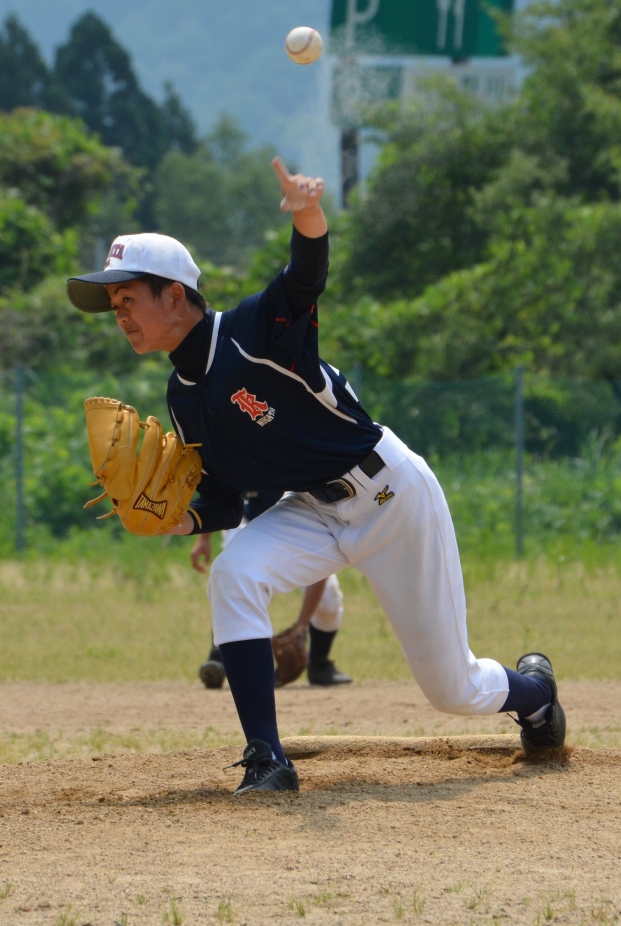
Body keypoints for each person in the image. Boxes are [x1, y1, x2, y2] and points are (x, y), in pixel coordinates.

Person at [66, 157, 566, 795]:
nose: (120, 315)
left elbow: (305, 276)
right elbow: (227, 496)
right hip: (312, 511)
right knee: (234, 574)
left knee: (453, 690)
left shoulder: (252, 330)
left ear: (174, 296)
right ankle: (267, 759)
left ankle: (536, 695)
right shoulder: (183, 394)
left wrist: (306, 212)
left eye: (128, 298)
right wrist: (177, 520)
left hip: (390, 496)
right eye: (114, 304)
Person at [191, 492, 351, 689]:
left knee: (329, 599)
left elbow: (320, 571)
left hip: (293, 524)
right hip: (245, 518)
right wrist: (204, 538)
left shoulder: (308, 508)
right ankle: (218, 656)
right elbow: (217, 490)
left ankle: (319, 663)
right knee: (235, 579)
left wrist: (301, 627)